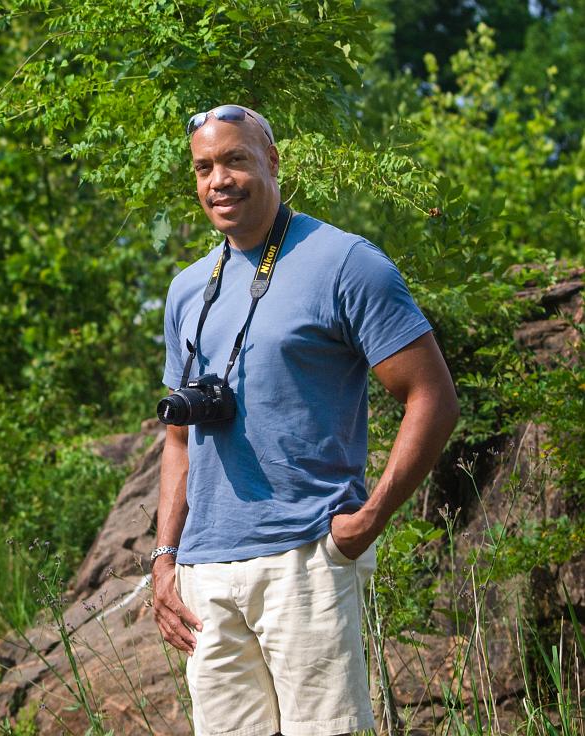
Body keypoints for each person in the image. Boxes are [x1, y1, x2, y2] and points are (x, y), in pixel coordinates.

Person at [151, 104, 459, 736]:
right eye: (204, 167)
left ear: (272, 162)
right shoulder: (187, 289)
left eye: (236, 159)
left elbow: (432, 397)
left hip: (307, 556)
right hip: (206, 570)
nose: (220, 180)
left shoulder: (345, 262)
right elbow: (178, 438)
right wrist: (165, 556)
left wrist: (368, 519)